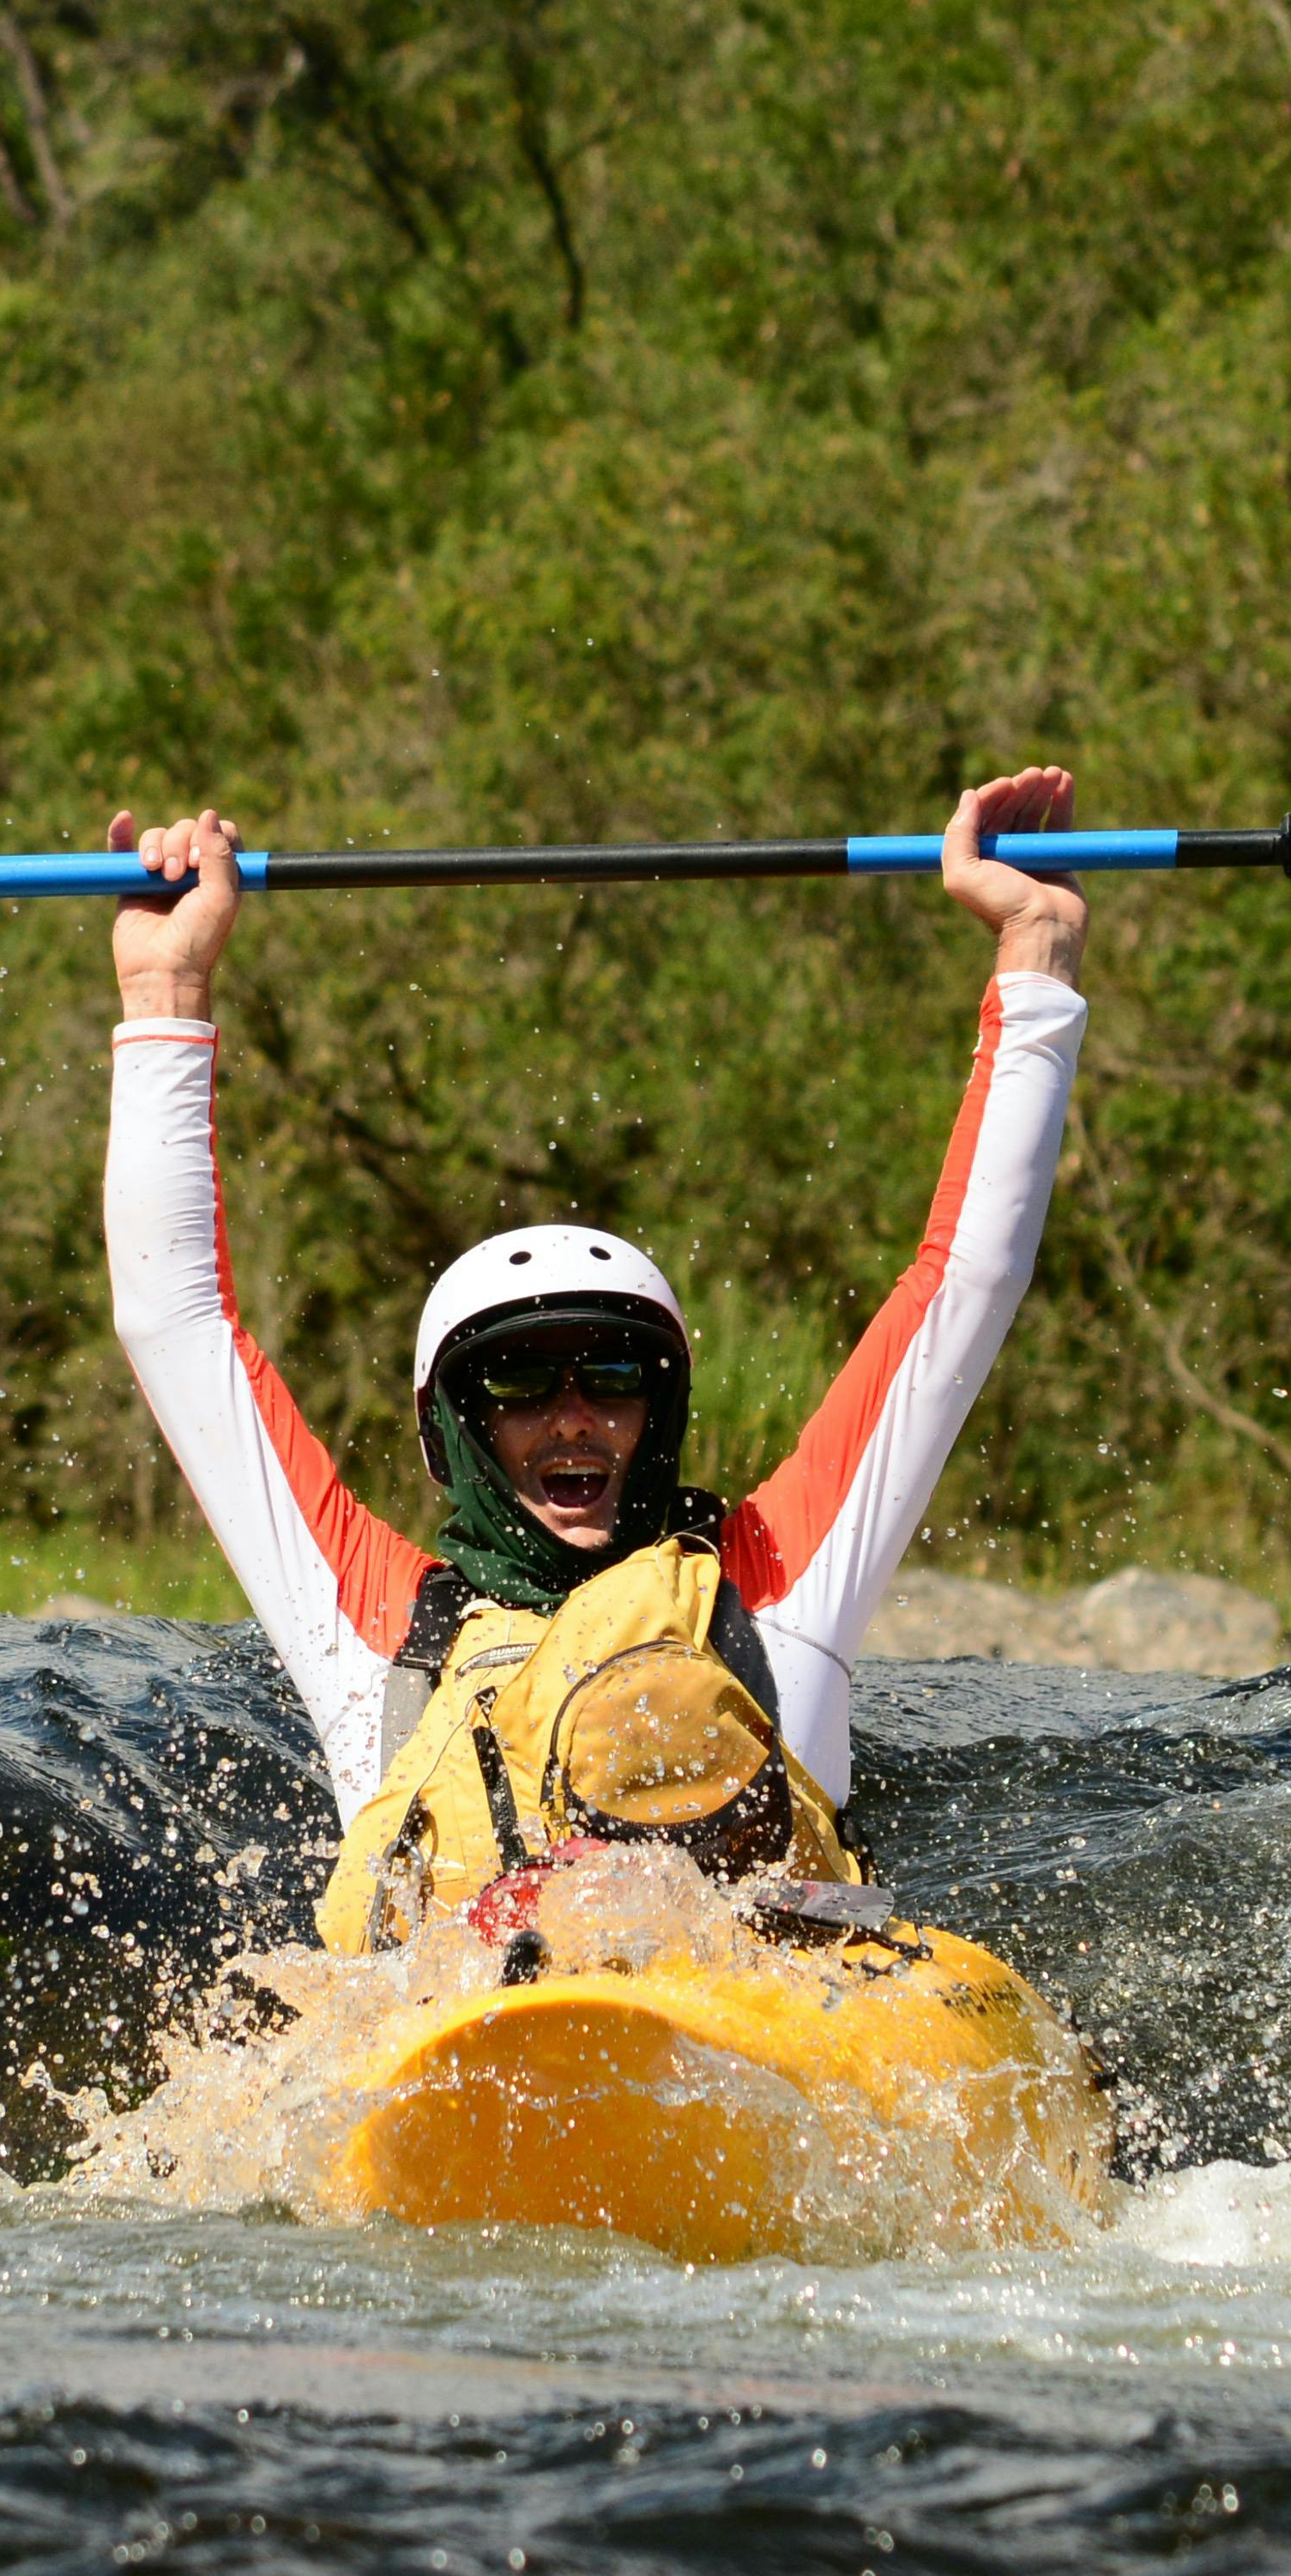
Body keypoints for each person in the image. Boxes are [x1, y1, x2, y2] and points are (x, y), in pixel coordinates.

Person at [100, 770, 1093, 1949]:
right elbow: (175, 1323)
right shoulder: (371, 1631)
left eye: (613, 1380)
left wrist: (1034, 951)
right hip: (471, 2051)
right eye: (519, 1386)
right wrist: (168, 990)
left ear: (659, 1409)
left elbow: (962, 1288)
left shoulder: (772, 1587)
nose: (573, 1419)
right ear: (453, 1431)